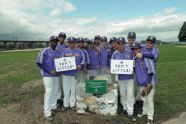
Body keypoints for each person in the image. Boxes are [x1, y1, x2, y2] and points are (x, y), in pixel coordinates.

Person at [133, 36, 159, 124]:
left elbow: (152, 56)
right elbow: (134, 47)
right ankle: (144, 112)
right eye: (147, 42)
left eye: (151, 43)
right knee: (144, 98)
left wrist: (142, 54)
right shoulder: (137, 54)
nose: (149, 44)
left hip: (149, 81)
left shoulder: (153, 51)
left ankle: (150, 117)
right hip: (141, 82)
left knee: (149, 99)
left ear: (154, 44)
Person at [36, 35, 61, 121]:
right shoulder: (45, 50)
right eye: (53, 41)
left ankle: (53, 107)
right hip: (48, 75)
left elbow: (61, 63)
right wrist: (49, 71)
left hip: (56, 75)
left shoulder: (58, 52)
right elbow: (39, 63)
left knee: (54, 91)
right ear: (50, 42)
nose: (55, 42)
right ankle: (47, 113)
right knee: (49, 93)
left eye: (56, 41)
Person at [111, 37, 136, 122]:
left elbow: (133, 64)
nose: (121, 45)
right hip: (120, 78)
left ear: (125, 44)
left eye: (122, 43)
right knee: (122, 94)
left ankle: (130, 112)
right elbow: (113, 65)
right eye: (119, 43)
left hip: (129, 78)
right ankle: (125, 108)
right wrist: (112, 70)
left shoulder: (130, 52)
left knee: (130, 94)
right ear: (117, 44)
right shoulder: (114, 54)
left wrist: (133, 70)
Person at [61, 37, 84, 112]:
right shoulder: (64, 51)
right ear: (68, 43)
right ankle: (65, 105)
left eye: (73, 42)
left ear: (75, 43)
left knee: (73, 90)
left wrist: (80, 65)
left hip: (74, 74)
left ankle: (72, 105)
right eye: (70, 42)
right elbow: (60, 61)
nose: (71, 44)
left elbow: (83, 61)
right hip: (65, 74)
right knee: (66, 90)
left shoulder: (79, 51)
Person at [55, 32, 68, 108]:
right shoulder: (55, 45)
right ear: (58, 37)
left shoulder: (66, 46)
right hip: (58, 67)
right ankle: (58, 99)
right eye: (61, 37)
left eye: (63, 37)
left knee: (64, 84)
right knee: (58, 84)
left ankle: (65, 98)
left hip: (66, 67)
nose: (62, 38)